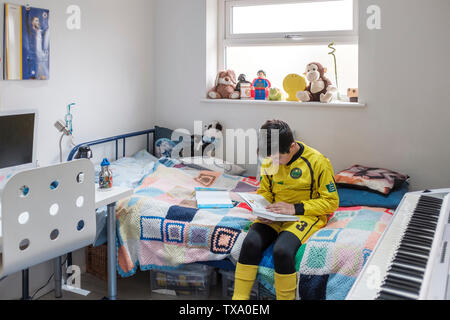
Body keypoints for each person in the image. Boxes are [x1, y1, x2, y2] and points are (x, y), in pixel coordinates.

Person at [233, 120, 340, 300]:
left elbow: (331, 202)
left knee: (282, 251)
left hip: (303, 214)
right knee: (250, 243)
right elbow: (265, 190)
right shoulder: (269, 160)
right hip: (274, 212)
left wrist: (294, 208)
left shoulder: (318, 162)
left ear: (292, 147)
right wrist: (262, 209)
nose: (274, 163)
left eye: (278, 158)